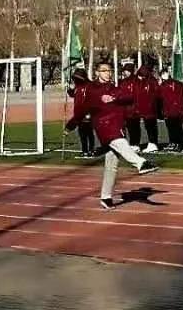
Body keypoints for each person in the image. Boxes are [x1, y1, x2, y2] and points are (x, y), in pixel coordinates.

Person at [66, 59, 160, 209]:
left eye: (109, 71)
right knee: (119, 141)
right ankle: (140, 163)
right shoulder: (92, 89)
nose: (107, 73)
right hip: (104, 126)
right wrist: (71, 125)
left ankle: (106, 197)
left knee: (111, 164)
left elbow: (128, 97)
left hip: (117, 124)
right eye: (104, 71)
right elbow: (83, 109)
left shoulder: (114, 88)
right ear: (97, 72)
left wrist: (114, 98)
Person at [125, 63, 161, 153]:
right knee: (144, 126)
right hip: (142, 107)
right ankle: (138, 143)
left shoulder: (151, 82)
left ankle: (153, 143)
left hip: (149, 107)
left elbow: (156, 94)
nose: (141, 77)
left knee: (150, 126)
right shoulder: (139, 82)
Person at [66, 67, 97, 158]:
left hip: (88, 113)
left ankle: (91, 150)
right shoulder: (78, 86)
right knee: (82, 133)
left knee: (89, 133)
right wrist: (69, 90)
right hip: (79, 112)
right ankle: (84, 150)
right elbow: (73, 94)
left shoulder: (89, 85)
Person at [158, 68, 183, 152]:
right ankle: (173, 142)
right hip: (167, 110)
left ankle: (179, 143)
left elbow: (180, 96)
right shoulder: (162, 85)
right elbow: (161, 98)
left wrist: (179, 107)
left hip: (176, 110)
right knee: (170, 127)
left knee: (177, 127)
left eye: (165, 73)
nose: (164, 76)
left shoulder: (176, 84)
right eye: (162, 74)